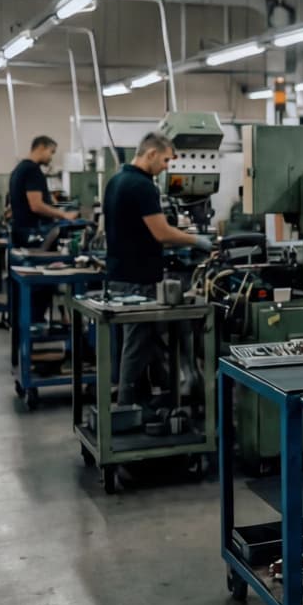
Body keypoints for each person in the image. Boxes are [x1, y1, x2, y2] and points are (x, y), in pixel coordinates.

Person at [103, 133, 213, 414]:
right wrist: (196, 240)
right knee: (137, 345)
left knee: (145, 344)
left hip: (118, 275)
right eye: (165, 160)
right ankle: (125, 409)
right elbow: (161, 233)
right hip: (138, 280)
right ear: (150, 153)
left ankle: (147, 400)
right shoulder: (142, 186)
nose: (166, 166)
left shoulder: (116, 181)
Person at [7, 135, 75, 248]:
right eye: (51, 152)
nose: (51, 157)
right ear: (41, 147)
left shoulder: (19, 169)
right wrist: (64, 214)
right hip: (32, 233)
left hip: (21, 232)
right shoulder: (32, 170)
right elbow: (36, 206)